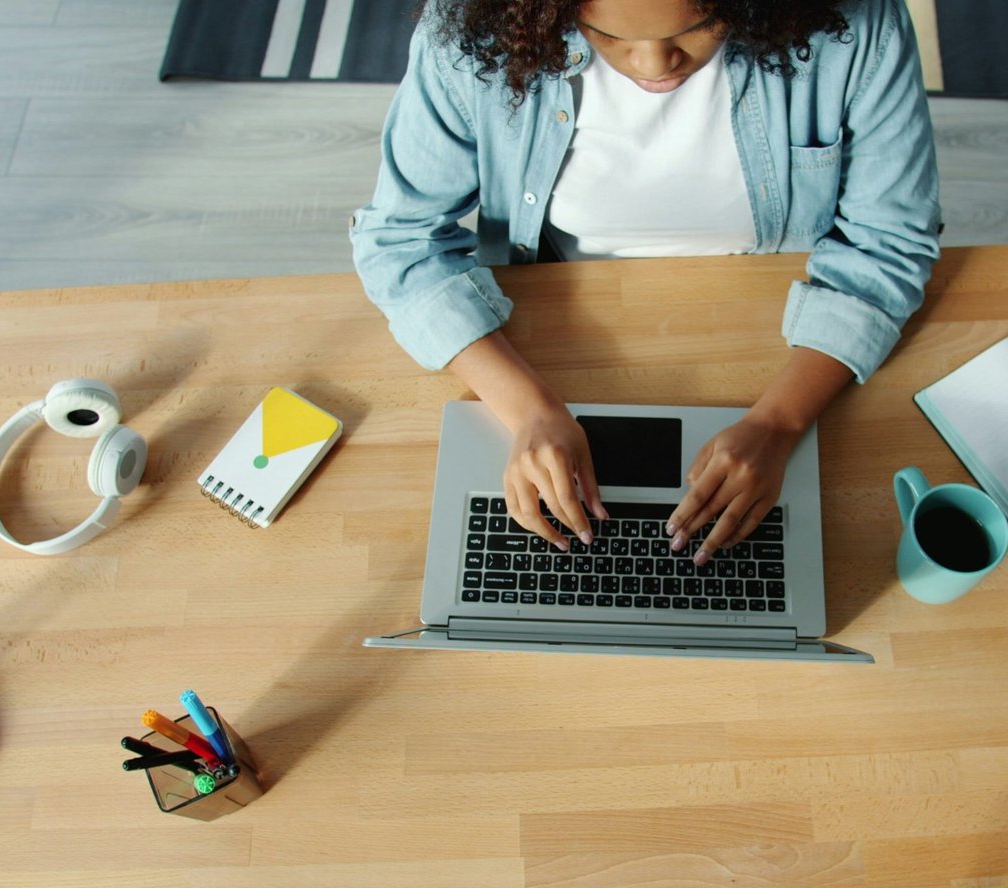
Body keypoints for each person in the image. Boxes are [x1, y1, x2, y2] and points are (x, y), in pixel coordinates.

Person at [351, 0, 940, 566]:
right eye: (610, 36)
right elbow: (403, 241)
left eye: (699, 26)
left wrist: (780, 423)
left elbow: (887, 242)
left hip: (773, 334)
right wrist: (526, 409)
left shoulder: (858, 24)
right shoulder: (466, 34)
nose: (656, 65)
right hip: (554, 323)